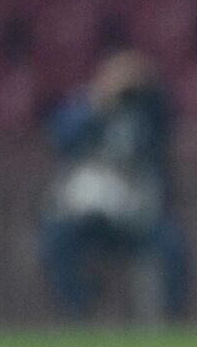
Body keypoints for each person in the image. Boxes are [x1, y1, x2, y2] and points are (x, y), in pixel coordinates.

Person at [39, 51, 188, 320]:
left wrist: (144, 83)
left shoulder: (147, 111)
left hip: (136, 214)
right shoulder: (84, 105)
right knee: (56, 240)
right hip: (87, 211)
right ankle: (81, 311)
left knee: (173, 246)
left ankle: (172, 320)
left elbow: (167, 119)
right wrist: (100, 100)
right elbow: (61, 138)